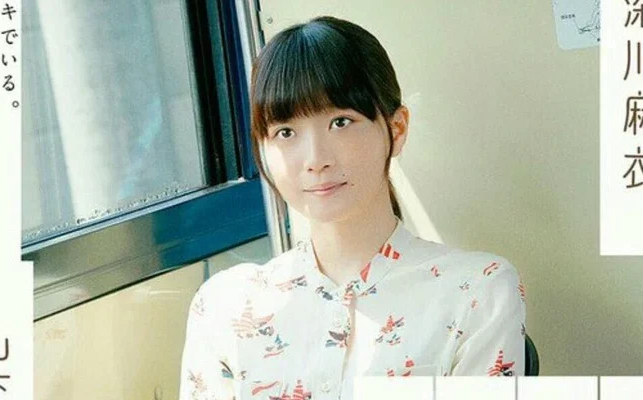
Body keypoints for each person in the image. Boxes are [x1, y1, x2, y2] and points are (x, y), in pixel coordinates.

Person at [179, 15, 527, 400]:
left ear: (396, 129)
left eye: (341, 122)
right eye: (286, 132)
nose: (315, 159)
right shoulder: (224, 307)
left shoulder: (477, 292)